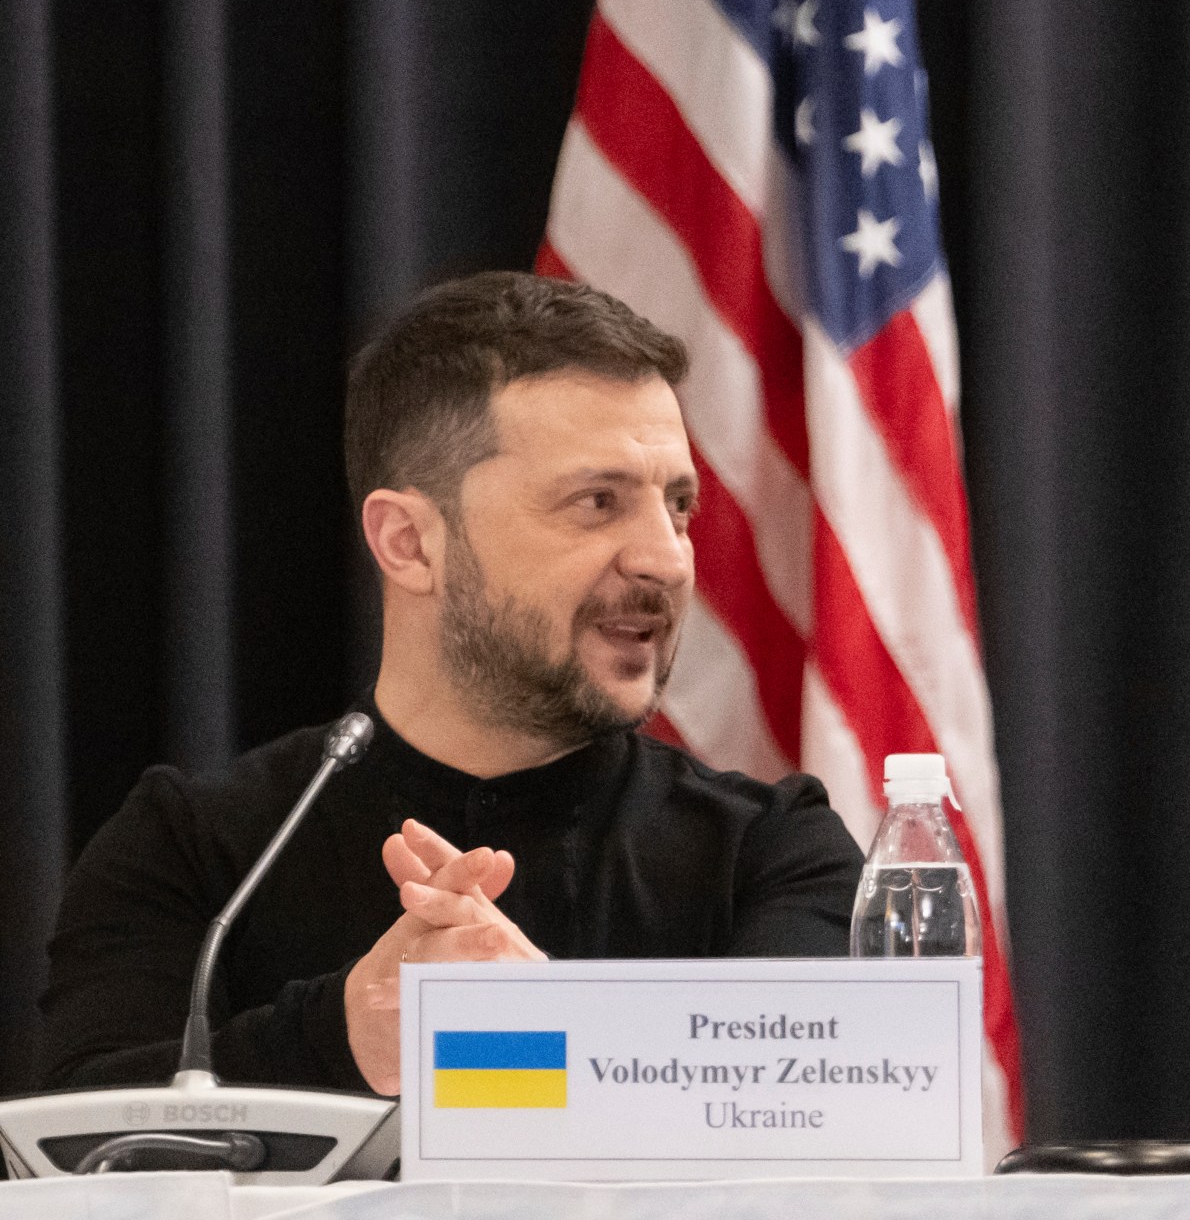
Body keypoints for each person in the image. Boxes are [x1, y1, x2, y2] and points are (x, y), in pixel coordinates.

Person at [38, 272, 862, 1095]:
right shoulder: (195, 850)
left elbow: (802, 1118)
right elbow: (84, 1151)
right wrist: (347, 1038)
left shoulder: (775, 854)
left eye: (677, 506)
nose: (667, 557)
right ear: (409, 543)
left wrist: (530, 1042)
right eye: (598, 502)